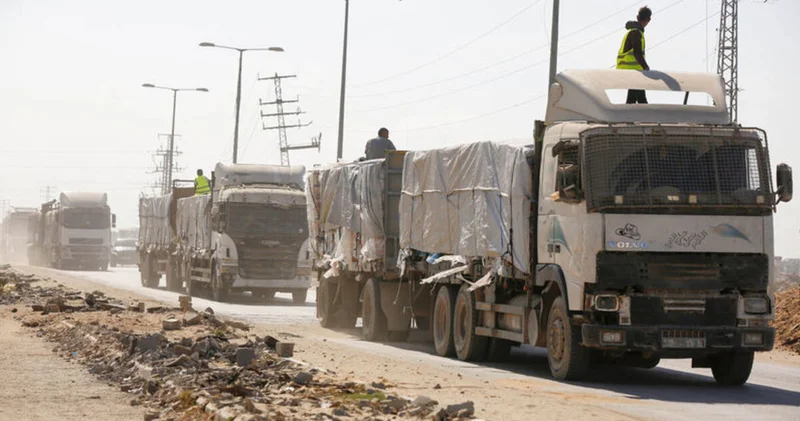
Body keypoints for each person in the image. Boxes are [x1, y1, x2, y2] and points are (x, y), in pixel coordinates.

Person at [616, 6, 652, 104]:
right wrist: (646, 67)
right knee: (641, 100)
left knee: (633, 99)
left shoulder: (633, 32)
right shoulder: (636, 33)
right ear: (648, 20)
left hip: (630, 71)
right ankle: (645, 118)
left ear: (637, 17)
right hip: (634, 72)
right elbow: (637, 53)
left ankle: (628, 118)